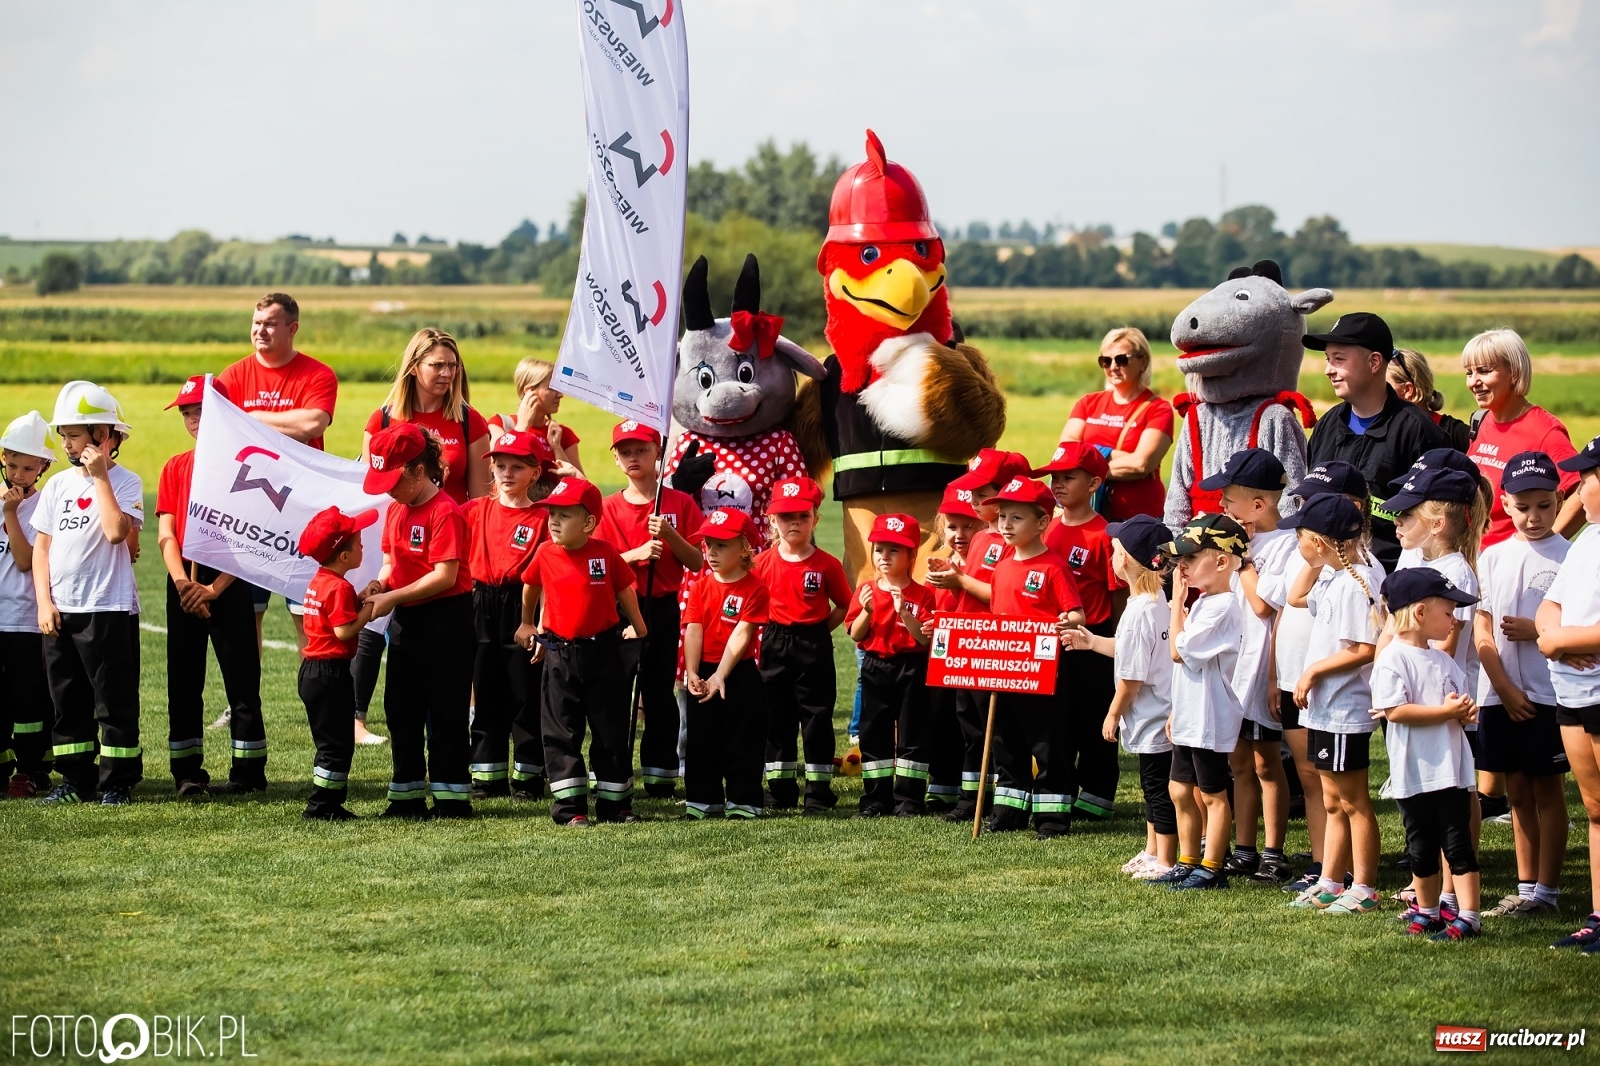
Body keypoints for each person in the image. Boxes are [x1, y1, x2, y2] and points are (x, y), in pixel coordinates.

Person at [1258, 461, 1371, 893]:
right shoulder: (1318, 562)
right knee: (1316, 783)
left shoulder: (1357, 572)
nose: (1305, 511)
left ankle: (1337, 871)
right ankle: (1327, 867)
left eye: (1314, 504)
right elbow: (1291, 599)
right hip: (1296, 679)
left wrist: (1325, 546)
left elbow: (1364, 645)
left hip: (1330, 691)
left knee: (1334, 789)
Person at [31, 381, 143, 806]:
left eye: (73, 434)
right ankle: (74, 780)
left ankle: (116, 782)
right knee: (67, 700)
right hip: (61, 609)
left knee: (112, 700)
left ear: (104, 436)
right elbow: (42, 548)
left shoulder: (126, 482)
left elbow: (117, 532)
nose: (65, 442)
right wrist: (45, 601)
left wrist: (100, 479)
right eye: (63, 435)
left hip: (108, 608)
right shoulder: (57, 486)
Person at [155, 377, 267, 797]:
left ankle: (249, 771)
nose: (193, 419)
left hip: (228, 578)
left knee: (242, 678)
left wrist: (215, 590)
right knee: (183, 681)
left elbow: (247, 538)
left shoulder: (243, 466)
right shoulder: (175, 466)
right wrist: (184, 583)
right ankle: (187, 772)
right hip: (183, 579)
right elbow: (166, 530)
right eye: (187, 412)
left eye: (200, 409)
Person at [515, 476, 646, 827]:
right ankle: (571, 809)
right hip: (560, 655)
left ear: (589, 522)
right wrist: (527, 623)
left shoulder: (605, 554)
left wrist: (638, 623)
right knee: (561, 731)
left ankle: (615, 805)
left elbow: (625, 590)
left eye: (564, 515)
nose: (554, 521)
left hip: (604, 654)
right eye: (551, 514)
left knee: (611, 729)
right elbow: (530, 587)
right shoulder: (545, 552)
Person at [1472, 452, 1570, 919]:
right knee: (1516, 794)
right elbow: (1482, 627)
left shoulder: (1571, 558)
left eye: (1544, 506)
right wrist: (1504, 689)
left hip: (1550, 695)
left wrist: (1540, 633)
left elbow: (1577, 628)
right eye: (1523, 506)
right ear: (1506, 505)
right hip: (1501, 695)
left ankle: (1547, 892)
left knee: (1547, 792)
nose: (1533, 516)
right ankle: (1525, 887)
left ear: (1559, 501)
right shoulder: (1493, 556)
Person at [362, 423, 477, 821]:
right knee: (401, 707)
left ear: (416, 470)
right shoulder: (396, 508)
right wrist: (381, 582)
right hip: (408, 619)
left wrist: (391, 596)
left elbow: (445, 575)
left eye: (393, 480)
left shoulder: (445, 511)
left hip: (447, 620)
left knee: (445, 709)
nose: (388, 490)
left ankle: (451, 799)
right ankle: (406, 796)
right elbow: (393, 561)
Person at [217, 292, 340, 659]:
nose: (261, 331)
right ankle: (243, 708)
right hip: (249, 513)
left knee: (307, 615)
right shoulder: (233, 375)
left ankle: (317, 701)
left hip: (302, 513)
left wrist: (250, 419)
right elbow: (221, 431)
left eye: (270, 324)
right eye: (256, 323)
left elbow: (312, 422)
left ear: (292, 328)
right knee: (247, 615)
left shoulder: (318, 374)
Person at [1283, 493, 1386, 914]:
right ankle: (1331, 879)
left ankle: (1363, 886)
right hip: (1325, 709)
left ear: (1322, 542)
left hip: (1345, 710)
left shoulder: (1352, 584)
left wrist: (1312, 672)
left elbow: (1365, 648)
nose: (1297, 545)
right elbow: (1295, 597)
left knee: (1353, 801)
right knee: (1330, 799)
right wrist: (1315, 561)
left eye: (1302, 538)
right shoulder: (1332, 578)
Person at [1371, 567, 1484, 940]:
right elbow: (1396, 711)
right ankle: (1430, 910)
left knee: (1457, 845)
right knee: (1420, 846)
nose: (1455, 620)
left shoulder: (1444, 661)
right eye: (1449, 612)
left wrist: (1464, 711)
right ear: (1420, 613)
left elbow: (1463, 708)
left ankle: (1468, 915)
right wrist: (1446, 712)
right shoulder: (1393, 659)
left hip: (1450, 770)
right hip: (1414, 772)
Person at [1203, 448, 1298, 885]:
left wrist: (1241, 560)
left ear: (1258, 506)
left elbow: (1264, 605)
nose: (1220, 506)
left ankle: (1274, 851)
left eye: (1228, 500)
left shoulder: (1283, 545)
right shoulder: (1231, 538)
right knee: (1238, 761)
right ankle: (1243, 848)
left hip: (1260, 667)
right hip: (1229, 668)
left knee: (1265, 763)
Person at [1064, 514, 1177, 880]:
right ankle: (1152, 850)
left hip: (1152, 716)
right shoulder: (1156, 601)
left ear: (1125, 560)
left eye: (1115, 548)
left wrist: (1113, 713)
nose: (1112, 553)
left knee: (1157, 790)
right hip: (1161, 712)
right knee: (1152, 786)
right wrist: (1091, 641)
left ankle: (1165, 859)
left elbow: (1131, 676)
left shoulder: (1137, 611)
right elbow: (1132, 652)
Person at [596, 420, 703, 798]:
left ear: (658, 452)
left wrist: (670, 535)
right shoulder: (607, 508)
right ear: (616, 460)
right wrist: (635, 554)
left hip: (661, 607)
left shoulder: (679, 503)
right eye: (625, 452)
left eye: (641, 449)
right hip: (619, 610)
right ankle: (610, 771)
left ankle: (660, 774)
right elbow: (597, 565)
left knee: (659, 690)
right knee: (614, 690)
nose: (633, 457)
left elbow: (697, 562)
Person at [1304, 311, 1453, 570]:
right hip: (1324, 579)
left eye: (1339, 359)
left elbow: (1437, 527)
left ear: (1374, 363)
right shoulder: (1326, 426)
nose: (1329, 370)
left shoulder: (1420, 433)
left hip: (1390, 582)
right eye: (1328, 359)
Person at [981, 479, 1085, 837]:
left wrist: (1064, 622)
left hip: (1044, 670)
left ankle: (1052, 818)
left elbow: (1077, 614)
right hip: (1007, 670)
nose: (1006, 525)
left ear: (1042, 523)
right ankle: (1008, 813)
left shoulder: (1054, 567)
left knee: (1048, 743)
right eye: (1002, 516)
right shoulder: (1002, 567)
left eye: (1017, 518)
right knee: (1005, 742)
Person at [1155, 512, 1248, 890]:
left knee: (1212, 794)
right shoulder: (1207, 602)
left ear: (1222, 561)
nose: (1182, 568)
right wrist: (1177, 708)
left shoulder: (1224, 606)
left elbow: (1179, 653)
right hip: (1191, 713)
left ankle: (1212, 867)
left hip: (1210, 716)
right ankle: (1188, 859)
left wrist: (1176, 604)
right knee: (1180, 788)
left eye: (1190, 560)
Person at [1535, 435, 1600, 955]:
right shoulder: (1586, 542)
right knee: (1595, 808)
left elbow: (1554, 632)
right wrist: (1551, 636)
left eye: (1588, 478)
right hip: (1572, 694)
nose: (1579, 488)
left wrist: (1558, 641)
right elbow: (1549, 606)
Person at [1037, 441, 1125, 822]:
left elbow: (1116, 593)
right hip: (1053, 639)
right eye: (1055, 477)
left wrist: (1116, 642)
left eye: (1068, 478)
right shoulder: (1046, 528)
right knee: (1058, 719)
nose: (1058, 484)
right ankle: (1061, 789)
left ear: (1093, 484)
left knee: (1095, 719)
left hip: (1094, 638)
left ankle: (1097, 795)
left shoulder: (1104, 534)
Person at [463, 430, 552, 800]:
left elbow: (550, 577)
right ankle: (487, 776)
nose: (507, 473)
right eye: (500, 465)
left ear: (535, 473)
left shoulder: (545, 518)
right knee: (485, 691)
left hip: (523, 605)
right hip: (480, 602)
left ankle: (529, 777)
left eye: (517, 466)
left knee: (525, 693)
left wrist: (542, 625)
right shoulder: (474, 510)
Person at [753, 477, 850, 813]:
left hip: (813, 643)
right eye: (785, 516)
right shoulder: (761, 563)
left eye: (802, 516)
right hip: (774, 641)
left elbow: (844, 604)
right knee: (775, 718)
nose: (793, 523)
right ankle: (779, 791)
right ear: (772, 520)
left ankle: (818, 794)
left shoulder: (826, 564)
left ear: (815, 519)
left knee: (817, 718)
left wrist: (820, 630)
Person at [845, 512, 938, 818]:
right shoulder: (866, 591)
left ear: (912, 554)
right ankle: (876, 798)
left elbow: (924, 641)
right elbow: (856, 634)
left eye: (894, 549)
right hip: (876, 666)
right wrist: (867, 612)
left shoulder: (923, 594)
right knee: (874, 731)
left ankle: (909, 799)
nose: (884, 556)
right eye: (879, 549)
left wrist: (905, 614)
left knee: (913, 731)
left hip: (911, 667)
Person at [682, 507, 771, 820]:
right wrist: (692, 672)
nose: (711, 551)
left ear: (745, 548)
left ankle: (743, 800)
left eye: (721, 544)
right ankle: (703, 801)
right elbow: (694, 629)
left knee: (742, 740)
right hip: (703, 672)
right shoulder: (700, 586)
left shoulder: (755, 588)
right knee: (701, 740)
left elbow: (742, 634)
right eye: (708, 544)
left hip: (738, 675)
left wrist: (721, 674)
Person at [295, 507, 380, 821]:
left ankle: (327, 803)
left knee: (328, 741)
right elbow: (344, 630)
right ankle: (322, 806)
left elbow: (335, 612)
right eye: (358, 543)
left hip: (312, 671)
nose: (362, 547)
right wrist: (370, 610)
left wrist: (359, 598)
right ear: (344, 557)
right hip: (331, 673)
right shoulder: (339, 587)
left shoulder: (322, 581)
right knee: (337, 745)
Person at [1462, 329, 1583, 546]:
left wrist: (1545, 546)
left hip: (1513, 571)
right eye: (1469, 373)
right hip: (1477, 561)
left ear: (1515, 373)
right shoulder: (1480, 421)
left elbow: (1583, 493)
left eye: (1484, 371)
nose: (1474, 382)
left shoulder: (1544, 430)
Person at [924, 480, 994, 821]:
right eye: (952, 526)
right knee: (950, 725)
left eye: (969, 525)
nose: (960, 534)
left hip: (981, 657)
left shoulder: (987, 564)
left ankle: (978, 798)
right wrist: (929, 624)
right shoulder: (937, 566)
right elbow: (933, 610)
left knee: (981, 730)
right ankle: (953, 791)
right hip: (945, 660)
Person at [363, 328, 492, 504]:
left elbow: (481, 502)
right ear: (413, 367)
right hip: (399, 527)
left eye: (452, 365)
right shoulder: (381, 420)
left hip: (453, 527)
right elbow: (370, 494)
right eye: (437, 365)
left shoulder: (470, 421)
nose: (447, 374)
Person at [1060, 327, 1174, 521]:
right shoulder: (1087, 403)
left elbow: (1140, 464)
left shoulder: (1158, 409)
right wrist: (1114, 454)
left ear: (1143, 361)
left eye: (1121, 359)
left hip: (1137, 517)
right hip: (1088, 515)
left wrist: (1086, 470)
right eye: (1105, 360)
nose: (1113, 366)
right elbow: (1066, 452)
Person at [0, 412, 56, 798]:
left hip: (22, 620)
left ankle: (31, 769)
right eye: (13, 464)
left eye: (27, 467)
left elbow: (24, 559)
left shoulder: (39, 508)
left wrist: (9, 514)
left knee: (29, 701)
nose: (18, 474)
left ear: (43, 468)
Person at [488, 356, 583, 475]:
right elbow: (499, 471)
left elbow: (581, 486)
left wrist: (557, 448)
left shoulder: (563, 435)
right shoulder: (501, 424)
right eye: (552, 388)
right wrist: (522, 428)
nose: (560, 394)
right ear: (529, 391)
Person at [1387, 348, 1470, 451]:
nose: (1374, 390)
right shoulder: (1377, 432)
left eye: (1383, 384)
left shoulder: (1456, 434)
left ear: (1408, 390)